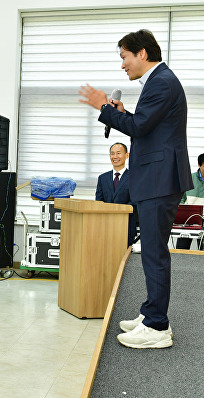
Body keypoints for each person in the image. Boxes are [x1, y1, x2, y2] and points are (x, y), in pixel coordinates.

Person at [79, 29, 193, 349]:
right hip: (156, 179)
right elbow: (145, 124)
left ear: (142, 53)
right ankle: (151, 313)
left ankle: (157, 327)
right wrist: (122, 112)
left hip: (159, 180)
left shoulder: (162, 82)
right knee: (151, 253)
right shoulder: (159, 83)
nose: (122, 65)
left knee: (154, 253)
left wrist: (105, 107)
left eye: (124, 57)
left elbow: (138, 128)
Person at [95, 142, 137, 246]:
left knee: (123, 260)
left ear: (127, 155)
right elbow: (99, 202)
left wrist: (115, 211)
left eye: (118, 153)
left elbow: (134, 203)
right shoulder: (102, 178)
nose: (115, 156)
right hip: (104, 228)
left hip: (126, 227)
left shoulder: (134, 178)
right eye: (112, 154)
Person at [175, 153, 204, 250]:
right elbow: (180, 199)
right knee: (181, 249)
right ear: (199, 165)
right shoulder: (189, 179)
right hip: (187, 220)